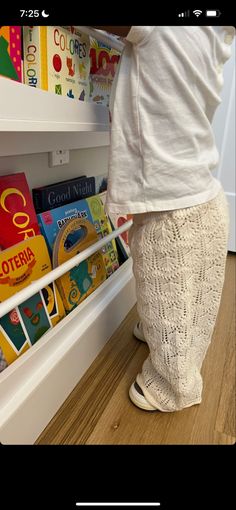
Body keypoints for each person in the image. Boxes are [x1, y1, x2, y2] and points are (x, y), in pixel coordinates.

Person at [91, 26, 235, 412]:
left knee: (166, 289)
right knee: (195, 293)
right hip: (203, 193)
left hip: (168, 204)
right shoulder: (213, 34)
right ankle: (164, 337)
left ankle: (173, 385)